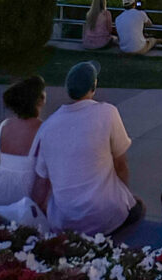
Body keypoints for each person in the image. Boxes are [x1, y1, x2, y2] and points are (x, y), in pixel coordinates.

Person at [32, 61, 144, 235]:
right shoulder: (108, 113)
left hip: (65, 221)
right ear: (94, 87)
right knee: (138, 208)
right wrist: (126, 198)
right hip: (105, 216)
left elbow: (41, 183)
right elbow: (121, 165)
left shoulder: (47, 127)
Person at [0, 76, 46, 204]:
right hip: (25, 199)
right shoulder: (43, 128)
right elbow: (43, 179)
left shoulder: (4, 125)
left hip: (0, 192)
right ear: (40, 99)